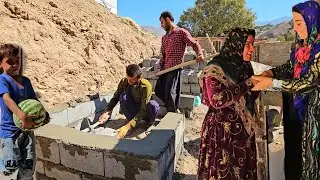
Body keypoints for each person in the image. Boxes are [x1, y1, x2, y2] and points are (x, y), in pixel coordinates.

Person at [252, 1, 320, 179]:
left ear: (312, 20)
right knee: (295, 154)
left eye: (299, 23)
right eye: (294, 23)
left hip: (314, 113)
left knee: (312, 159)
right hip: (297, 109)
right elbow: (291, 66)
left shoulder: (319, 49)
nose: (295, 29)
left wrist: (271, 83)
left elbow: (308, 82)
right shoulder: (300, 45)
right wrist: (271, 72)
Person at [197, 28, 259, 180]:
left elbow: (249, 94)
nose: (252, 49)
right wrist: (249, 83)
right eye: (248, 44)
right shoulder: (216, 68)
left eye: (252, 44)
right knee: (224, 171)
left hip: (243, 131)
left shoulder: (244, 66)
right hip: (223, 132)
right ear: (237, 45)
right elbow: (217, 99)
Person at [0, 43, 38, 179]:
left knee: (28, 166)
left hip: (27, 131)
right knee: (10, 167)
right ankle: (3, 163)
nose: (15, 65)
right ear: (1, 64)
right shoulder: (2, 80)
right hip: (10, 133)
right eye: (10, 62)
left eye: (17, 61)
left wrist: (42, 115)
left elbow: (33, 99)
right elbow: (7, 99)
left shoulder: (26, 81)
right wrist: (22, 115)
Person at [155, 11, 204, 113]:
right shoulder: (164, 38)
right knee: (159, 90)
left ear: (168, 20)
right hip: (165, 70)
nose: (161, 25)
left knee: (171, 94)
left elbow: (194, 43)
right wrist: (160, 66)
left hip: (175, 68)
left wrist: (199, 53)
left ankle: (173, 114)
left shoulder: (181, 32)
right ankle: (172, 110)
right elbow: (163, 55)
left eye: (162, 22)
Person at [99, 64, 160, 139]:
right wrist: (106, 112)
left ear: (139, 77)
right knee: (122, 97)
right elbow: (116, 97)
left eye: (132, 80)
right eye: (128, 79)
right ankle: (131, 122)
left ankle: (149, 123)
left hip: (145, 110)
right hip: (134, 108)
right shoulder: (124, 81)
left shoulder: (146, 86)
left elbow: (143, 109)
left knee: (153, 105)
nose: (129, 82)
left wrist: (128, 126)